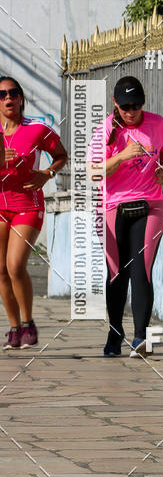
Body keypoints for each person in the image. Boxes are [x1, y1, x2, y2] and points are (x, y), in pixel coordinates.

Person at [89, 76, 163, 358]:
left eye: (136, 105)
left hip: (150, 205)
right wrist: (122, 155)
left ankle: (140, 338)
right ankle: (115, 334)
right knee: (116, 273)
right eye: (125, 106)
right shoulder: (105, 131)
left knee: (142, 269)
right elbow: (94, 173)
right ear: (115, 104)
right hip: (113, 207)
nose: (131, 111)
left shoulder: (158, 124)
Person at [0, 77, 67, 349]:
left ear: (21, 98)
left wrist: (47, 174)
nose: (8, 98)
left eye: (14, 93)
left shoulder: (38, 129)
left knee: (15, 265)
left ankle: (28, 323)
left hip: (28, 204)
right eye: (2, 94)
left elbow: (61, 156)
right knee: (1, 271)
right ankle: (14, 328)